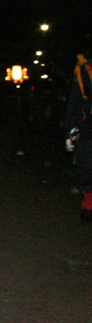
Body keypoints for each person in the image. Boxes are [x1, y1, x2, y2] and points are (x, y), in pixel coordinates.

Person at [64, 50, 92, 224]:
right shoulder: (83, 71)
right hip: (89, 125)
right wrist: (70, 130)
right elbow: (75, 103)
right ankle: (89, 201)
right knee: (86, 163)